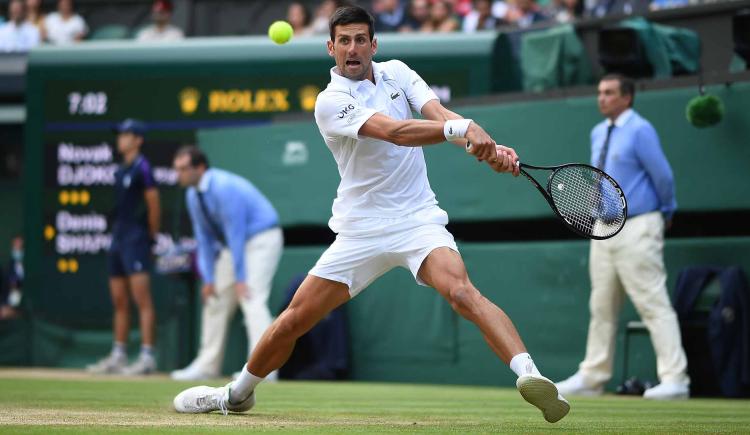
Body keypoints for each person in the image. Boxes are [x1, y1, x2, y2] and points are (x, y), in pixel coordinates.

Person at [173, 5, 570, 423]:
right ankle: (236, 394)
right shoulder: (330, 102)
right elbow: (396, 132)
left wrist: (483, 145)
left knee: (461, 292)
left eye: (361, 39)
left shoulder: (398, 71)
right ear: (331, 48)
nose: (353, 48)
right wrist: (464, 130)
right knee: (293, 319)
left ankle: (532, 376)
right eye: (344, 40)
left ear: (373, 44)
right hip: (360, 231)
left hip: (417, 220)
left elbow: (441, 117)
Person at [555, 74, 690, 400]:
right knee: (601, 306)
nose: (602, 98)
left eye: (610, 93)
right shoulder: (597, 132)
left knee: (653, 303)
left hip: (639, 224)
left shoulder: (641, 129)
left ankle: (676, 380)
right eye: (599, 92)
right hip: (603, 228)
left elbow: (663, 175)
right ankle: (593, 376)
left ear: (627, 97)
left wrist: (666, 212)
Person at [170, 146, 283, 382]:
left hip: (262, 238)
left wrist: (241, 279)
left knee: (251, 298)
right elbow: (204, 239)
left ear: (200, 168)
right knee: (214, 298)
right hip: (235, 246)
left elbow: (236, 233)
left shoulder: (224, 188)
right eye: (177, 169)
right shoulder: (193, 195)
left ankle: (264, 368)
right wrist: (209, 279)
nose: (178, 174)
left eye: (183, 169)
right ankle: (207, 366)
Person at [86, 119, 161, 376]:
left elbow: (153, 203)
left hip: (137, 239)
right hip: (118, 238)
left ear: (138, 140)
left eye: (126, 135)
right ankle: (118, 355)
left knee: (142, 299)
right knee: (119, 299)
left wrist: (149, 237)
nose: (121, 139)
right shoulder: (120, 170)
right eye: (120, 135)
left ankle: (147, 357)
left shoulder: (144, 168)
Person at [0, 235, 23, 320]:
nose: (17, 248)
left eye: (20, 245)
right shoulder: (9, 266)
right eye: (15, 246)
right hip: (10, 303)